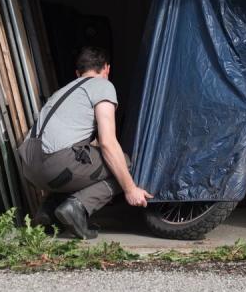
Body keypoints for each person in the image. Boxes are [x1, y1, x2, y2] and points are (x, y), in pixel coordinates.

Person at [18, 46, 153, 239]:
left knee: (86, 165)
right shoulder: (103, 86)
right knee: (122, 162)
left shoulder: (62, 91)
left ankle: (48, 212)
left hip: (29, 169)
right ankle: (77, 207)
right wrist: (130, 189)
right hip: (56, 165)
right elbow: (107, 143)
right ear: (107, 69)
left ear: (77, 73)